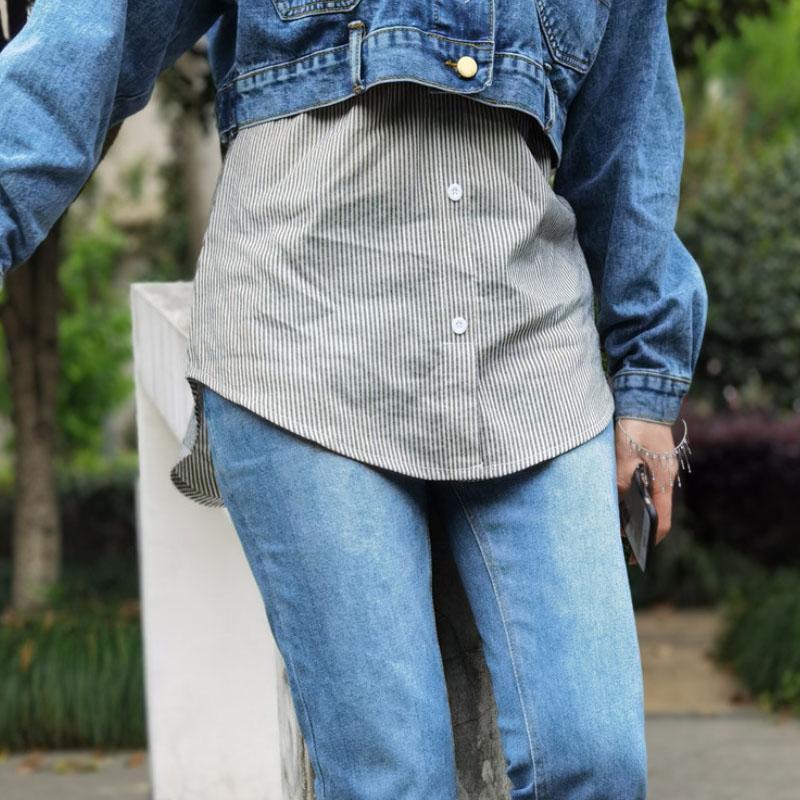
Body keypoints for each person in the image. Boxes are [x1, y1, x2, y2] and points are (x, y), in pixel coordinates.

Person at [0, 2, 707, 797]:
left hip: (535, 356)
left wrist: (648, 380)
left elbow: (629, 130)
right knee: (392, 780)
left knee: (599, 761)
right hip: (303, 342)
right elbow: (95, 37)